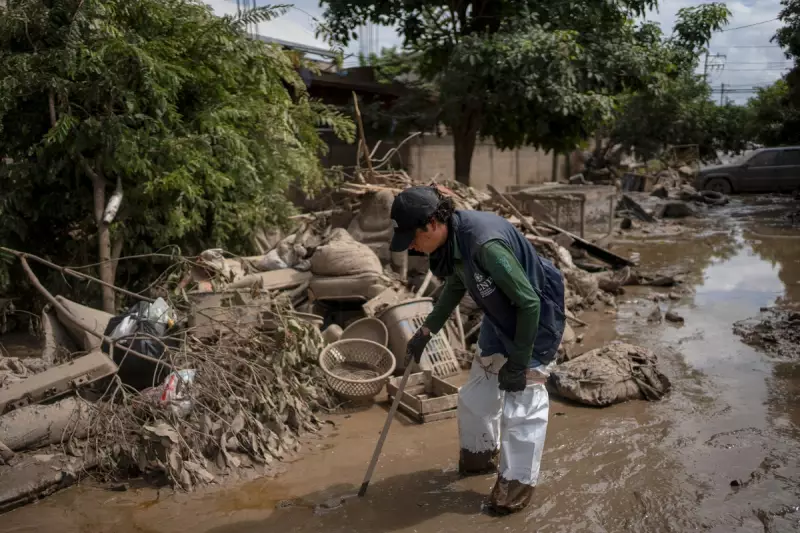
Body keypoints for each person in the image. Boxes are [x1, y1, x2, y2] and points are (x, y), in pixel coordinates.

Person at [389, 185, 566, 515]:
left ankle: (515, 488)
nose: (411, 246)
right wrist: (427, 330)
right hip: (499, 314)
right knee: (475, 396)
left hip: (535, 316)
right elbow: (458, 283)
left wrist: (517, 363)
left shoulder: (485, 244)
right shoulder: (453, 241)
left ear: (431, 224)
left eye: (412, 237)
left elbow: (528, 303)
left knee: (522, 405)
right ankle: (479, 458)